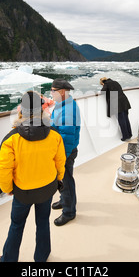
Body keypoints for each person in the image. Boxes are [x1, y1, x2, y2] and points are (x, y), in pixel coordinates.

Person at [0, 91, 66, 262]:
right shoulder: (54, 135)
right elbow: (60, 162)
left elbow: (2, 170)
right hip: (47, 189)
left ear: (21, 111)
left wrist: (8, 189)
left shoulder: (11, 139)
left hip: (23, 192)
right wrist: (58, 179)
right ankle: (42, 257)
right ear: (41, 111)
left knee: (16, 226)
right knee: (43, 224)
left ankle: (8, 260)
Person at [50, 78, 81, 226]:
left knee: (66, 182)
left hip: (65, 152)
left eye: (53, 91)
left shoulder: (67, 111)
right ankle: (64, 201)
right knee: (63, 180)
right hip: (62, 151)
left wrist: (63, 158)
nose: (51, 93)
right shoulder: (63, 103)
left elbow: (67, 139)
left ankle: (69, 212)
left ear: (62, 92)